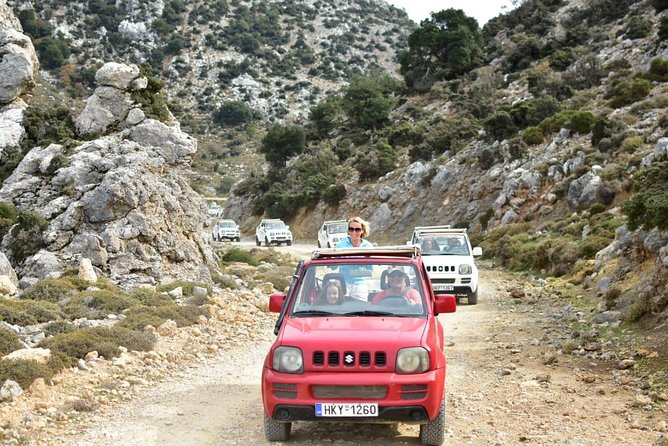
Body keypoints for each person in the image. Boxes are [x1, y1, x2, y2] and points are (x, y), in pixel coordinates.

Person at [336, 217, 373, 300]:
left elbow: (370, 269)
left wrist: (357, 272)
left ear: (362, 230)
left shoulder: (368, 247)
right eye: (351, 229)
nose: (354, 232)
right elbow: (333, 265)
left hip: (360, 283)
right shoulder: (340, 245)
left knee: (362, 308)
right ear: (348, 231)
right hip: (343, 282)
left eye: (357, 229)